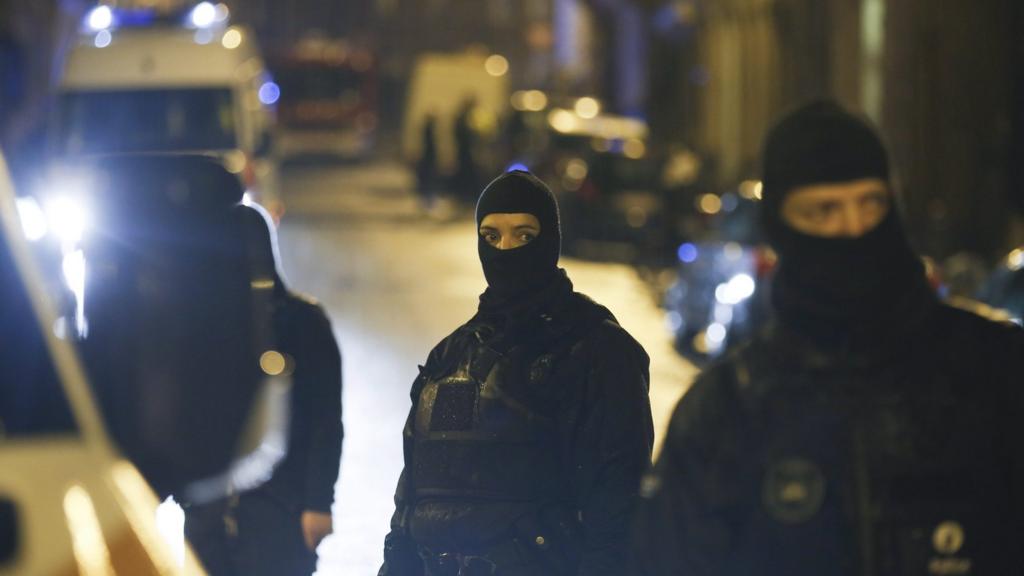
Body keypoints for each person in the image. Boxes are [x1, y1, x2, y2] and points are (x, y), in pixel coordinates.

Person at [631, 101, 1024, 575]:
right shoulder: (729, 411)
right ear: (781, 226)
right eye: (823, 212)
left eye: (870, 203)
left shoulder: (994, 371)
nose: (854, 229)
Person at [380, 170, 654, 575]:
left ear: (550, 241)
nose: (505, 249)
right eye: (491, 236)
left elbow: (618, 509)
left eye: (523, 235)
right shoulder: (453, 356)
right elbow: (421, 493)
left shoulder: (597, 351)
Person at [182, 204, 343, 576]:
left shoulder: (303, 322)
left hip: (280, 511)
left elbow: (325, 420)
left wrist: (319, 503)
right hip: (209, 513)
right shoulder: (200, 326)